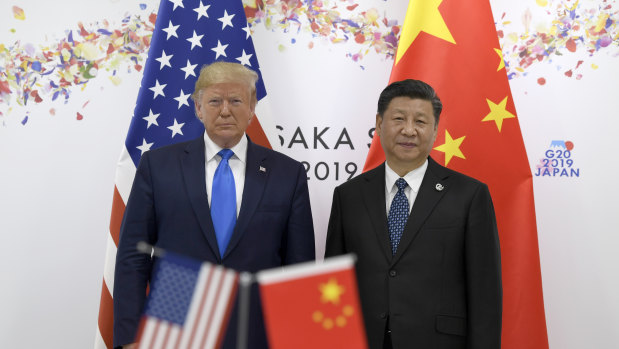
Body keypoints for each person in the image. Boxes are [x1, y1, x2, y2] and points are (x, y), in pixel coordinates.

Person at [113, 62, 315, 349]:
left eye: (235, 101)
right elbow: (133, 258)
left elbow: (300, 269)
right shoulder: (157, 167)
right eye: (214, 101)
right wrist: (131, 337)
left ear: (252, 106)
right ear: (198, 108)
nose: (225, 111)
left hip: (257, 333)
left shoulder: (288, 174)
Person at [325, 79, 502, 349]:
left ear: (435, 130)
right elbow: (334, 286)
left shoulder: (469, 195)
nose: (409, 130)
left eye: (420, 122)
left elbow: (485, 295)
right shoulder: (348, 195)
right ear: (380, 124)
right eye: (398, 118)